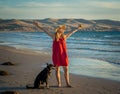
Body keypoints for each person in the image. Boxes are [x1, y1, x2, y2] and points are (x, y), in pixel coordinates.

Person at [34, 21, 82, 87]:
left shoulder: (65, 37)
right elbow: (45, 30)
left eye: (63, 29)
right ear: (58, 30)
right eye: (61, 29)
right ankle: (59, 83)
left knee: (66, 69)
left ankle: (68, 83)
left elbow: (72, 32)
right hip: (56, 56)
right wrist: (38, 26)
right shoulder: (54, 37)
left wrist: (77, 28)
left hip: (64, 55)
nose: (62, 30)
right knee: (57, 70)